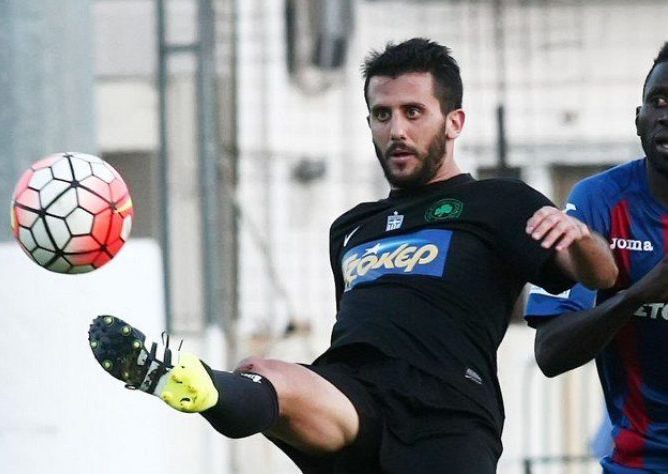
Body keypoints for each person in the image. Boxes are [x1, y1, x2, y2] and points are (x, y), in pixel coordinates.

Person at [89, 38, 617, 473]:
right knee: (263, 374)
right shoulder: (351, 228)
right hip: (354, 396)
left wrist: (581, 238)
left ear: (454, 122)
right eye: (382, 115)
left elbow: (601, 275)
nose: (396, 130)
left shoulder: (500, 202)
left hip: (445, 418)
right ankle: (193, 382)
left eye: (413, 112)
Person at [525, 41, 668, 474]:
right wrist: (635, 296)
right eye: (658, 101)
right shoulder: (598, 201)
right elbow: (550, 352)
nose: (666, 114)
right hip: (639, 463)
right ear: (639, 120)